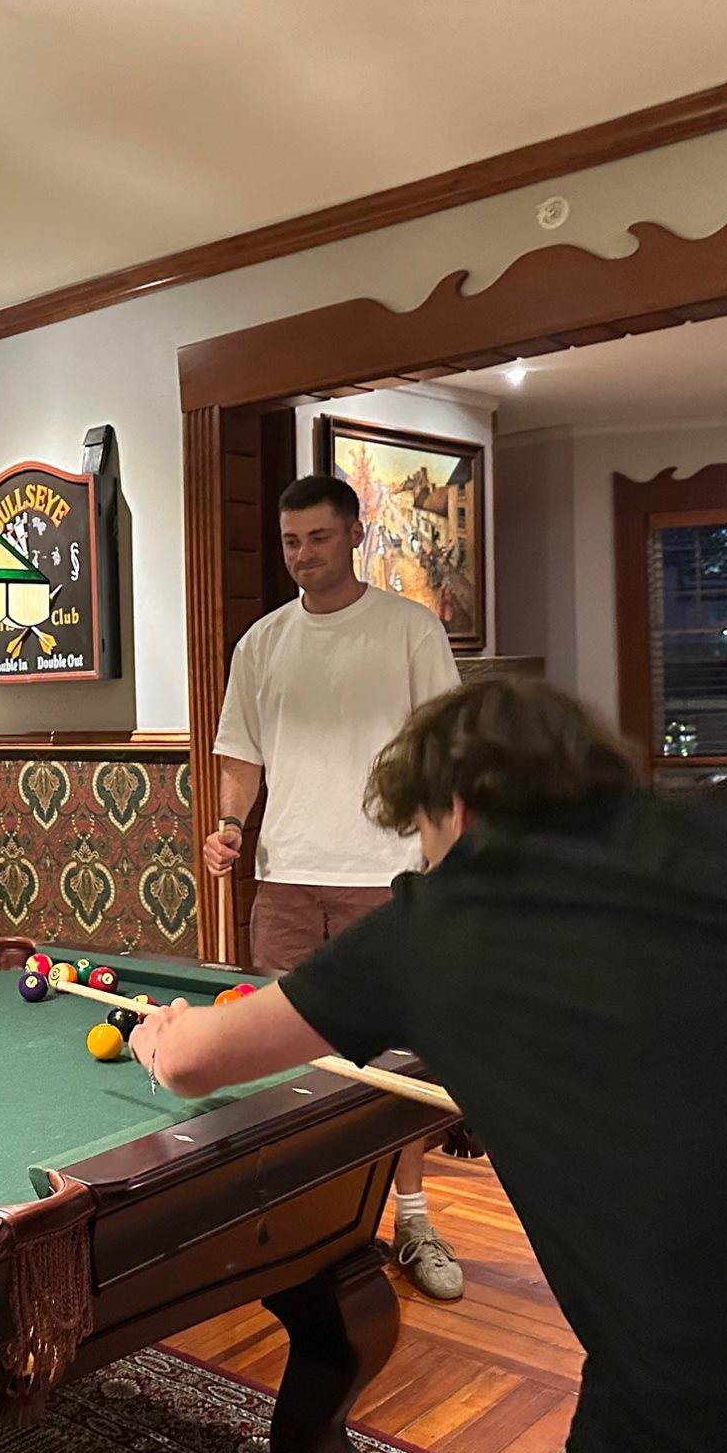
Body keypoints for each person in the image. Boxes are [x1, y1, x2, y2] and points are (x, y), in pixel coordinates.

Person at [132, 677, 727, 1453]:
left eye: (420, 837)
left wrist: (163, 1031)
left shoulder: (441, 918)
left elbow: (195, 1063)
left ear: (455, 808)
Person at [208, 472, 466, 1298]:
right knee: (281, 1055)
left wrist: (449, 865)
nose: (303, 554)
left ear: (355, 534)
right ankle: (297, 1224)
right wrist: (231, 825)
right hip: (286, 880)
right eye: (290, 541)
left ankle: (413, 1219)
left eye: (319, 537)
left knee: (396, 1060)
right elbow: (242, 752)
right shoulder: (262, 643)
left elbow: (443, 757)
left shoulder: (410, 630)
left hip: (386, 879)